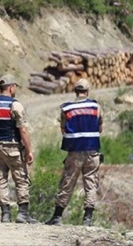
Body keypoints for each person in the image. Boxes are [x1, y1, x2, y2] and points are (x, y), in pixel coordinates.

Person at [46, 78, 103, 227]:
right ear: (88, 91)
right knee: (91, 184)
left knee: (67, 182)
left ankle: (57, 217)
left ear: (75, 91)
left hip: (74, 152)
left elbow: (63, 130)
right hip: (92, 150)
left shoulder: (66, 109)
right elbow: (100, 128)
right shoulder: (96, 107)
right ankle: (88, 219)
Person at [0, 75, 38, 224]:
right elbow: (23, 130)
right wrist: (29, 150)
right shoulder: (15, 105)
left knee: (0, 180)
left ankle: (5, 214)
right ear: (12, 87)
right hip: (13, 148)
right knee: (21, 179)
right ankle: (23, 214)